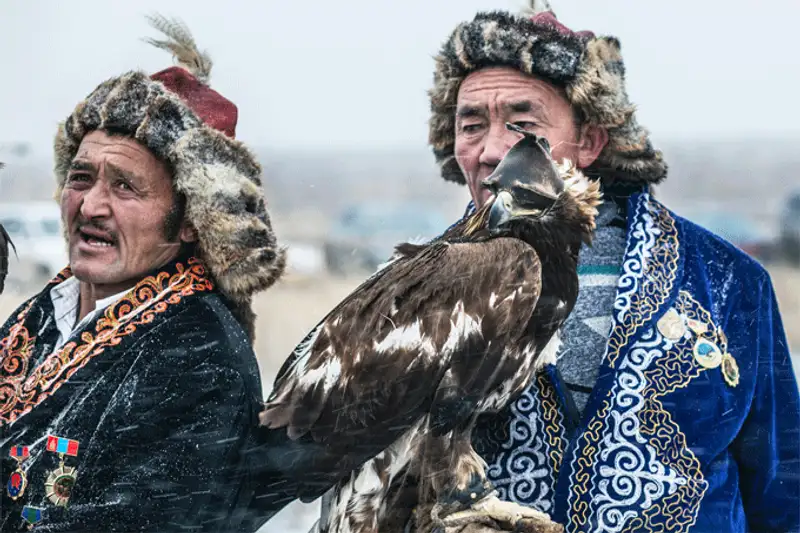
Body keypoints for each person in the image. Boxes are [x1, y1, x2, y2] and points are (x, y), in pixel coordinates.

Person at [316, 1, 800, 532]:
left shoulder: (724, 281)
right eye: (471, 124)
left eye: (523, 124)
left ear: (590, 140)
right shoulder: (412, 294)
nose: (493, 149)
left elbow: (782, 492)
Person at [0, 16, 289, 532]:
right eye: (81, 177)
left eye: (125, 187)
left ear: (192, 223)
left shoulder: (201, 359)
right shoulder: (39, 315)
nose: (90, 205)